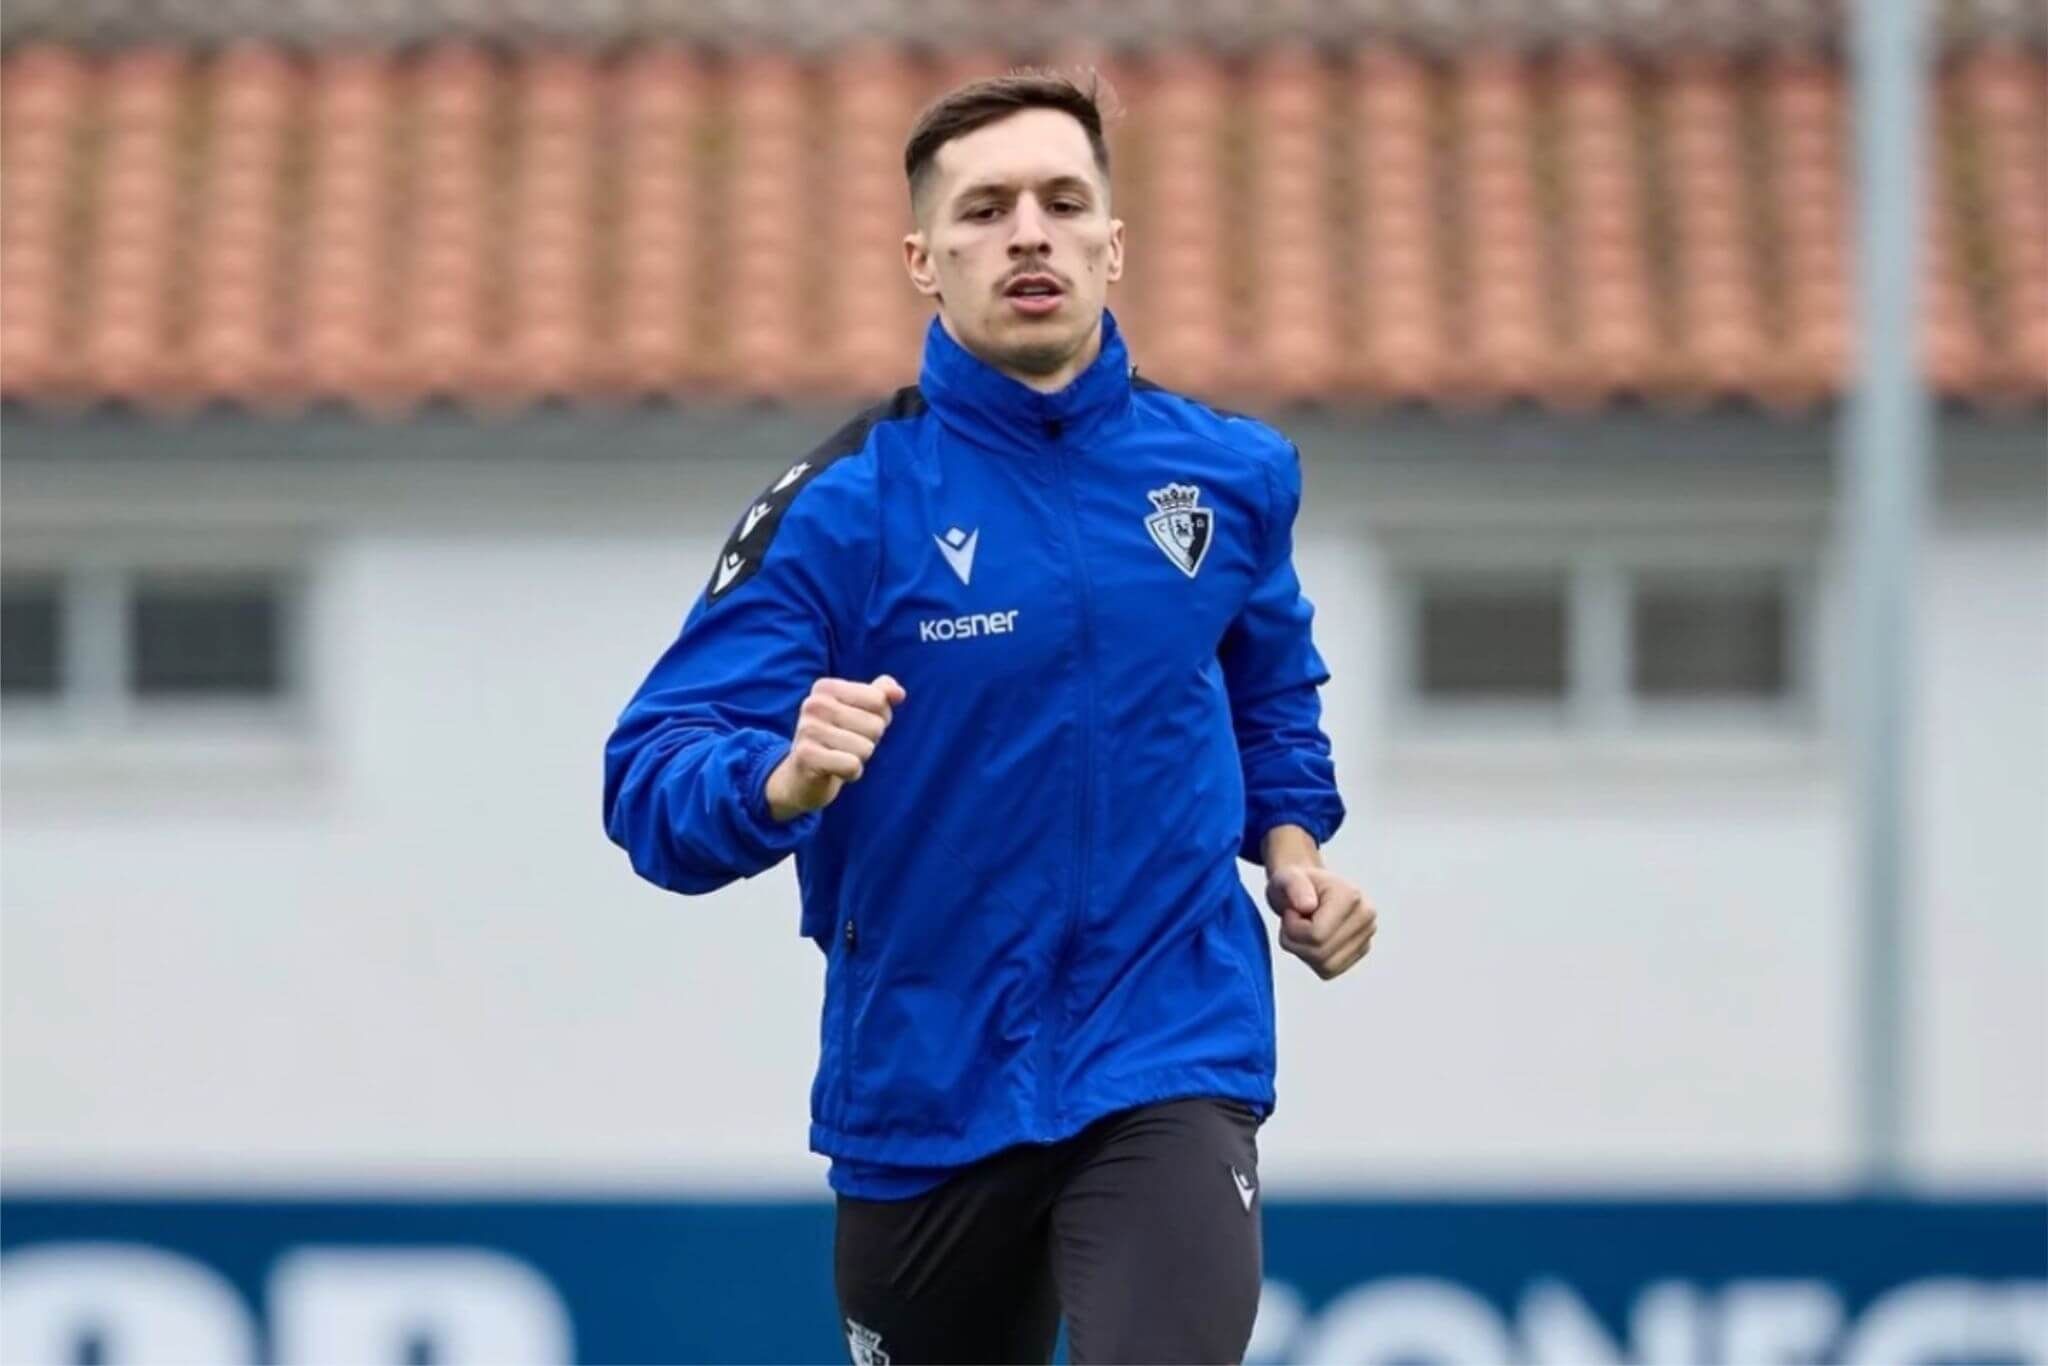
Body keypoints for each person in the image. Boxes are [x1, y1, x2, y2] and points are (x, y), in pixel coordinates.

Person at [603, 69, 1377, 1365]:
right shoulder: (849, 509)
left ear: (1112, 242)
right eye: (985, 209)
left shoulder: (1229, 476)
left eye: (1064, 201)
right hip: (925, 1085)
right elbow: (650, 774)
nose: (1029, 232)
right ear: (924, 256)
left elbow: (1268, 685)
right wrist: (778, 782)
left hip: (1167, 1048)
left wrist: (1293, 847)